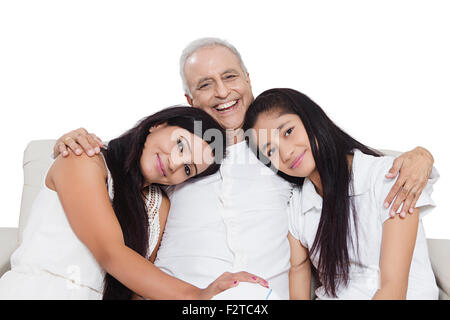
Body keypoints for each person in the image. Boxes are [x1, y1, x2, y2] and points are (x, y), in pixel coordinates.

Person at [52, 38, 436, 299]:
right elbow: (114, 187)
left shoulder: (289, 157)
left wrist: (421, 154)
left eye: (230, 76)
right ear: (189, 99)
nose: (222, 92)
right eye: (205, 84)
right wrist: (71, 144)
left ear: (248, 80)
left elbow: (350, 167)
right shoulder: (172, 161)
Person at [0, 106, 269, 300]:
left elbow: (135, 287)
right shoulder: (84, 158)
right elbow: (111, 253)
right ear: (157, 124)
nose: (175, 163)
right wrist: (197, 296)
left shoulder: (158, 205)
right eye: (180, 145)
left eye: (188, 169)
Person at [243, 88, 439, 299]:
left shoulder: (386, 177)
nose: (286, 152)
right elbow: (298, 274)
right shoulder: (297, 208)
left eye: (288, 132)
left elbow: (393, 287)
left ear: (311, 118)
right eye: (270, 151)